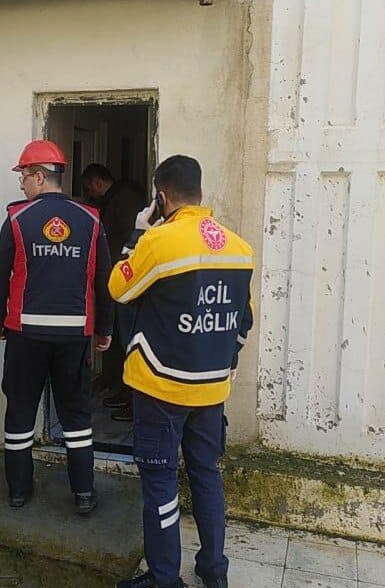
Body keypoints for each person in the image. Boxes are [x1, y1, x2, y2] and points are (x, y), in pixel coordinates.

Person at [109, 156, 254, 588]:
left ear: (161, 196)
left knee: (160, 484)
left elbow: (119, 288)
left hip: (160, 387)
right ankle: (214, 570)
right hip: (211, 390)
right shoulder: (239, 248)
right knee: (207, 476)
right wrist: (225, 362)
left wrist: (138, 232)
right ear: (200, 191)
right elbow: (243, 321)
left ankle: (165, 578)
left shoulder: (158, 241)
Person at [0, 140, 113, 512]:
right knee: (75, 414)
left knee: (20, 410)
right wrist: (105, 328)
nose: (21, 184)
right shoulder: (91, 219)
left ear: (40, 176)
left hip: (25, 333)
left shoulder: (17, 218)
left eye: (24, 176)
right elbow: (104, 280)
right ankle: (84, 493)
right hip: (74, 335)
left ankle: (18, 490)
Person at [81, 163, 145, 422]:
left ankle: (134, 399)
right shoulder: (119, 198)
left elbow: (132, 241)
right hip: (121, 280)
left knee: (129, 340)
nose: (90, 195)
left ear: (97, 183)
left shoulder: (124, 200)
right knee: (122, 338)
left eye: (89, 189)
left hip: (128, 281)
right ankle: (126, 393)